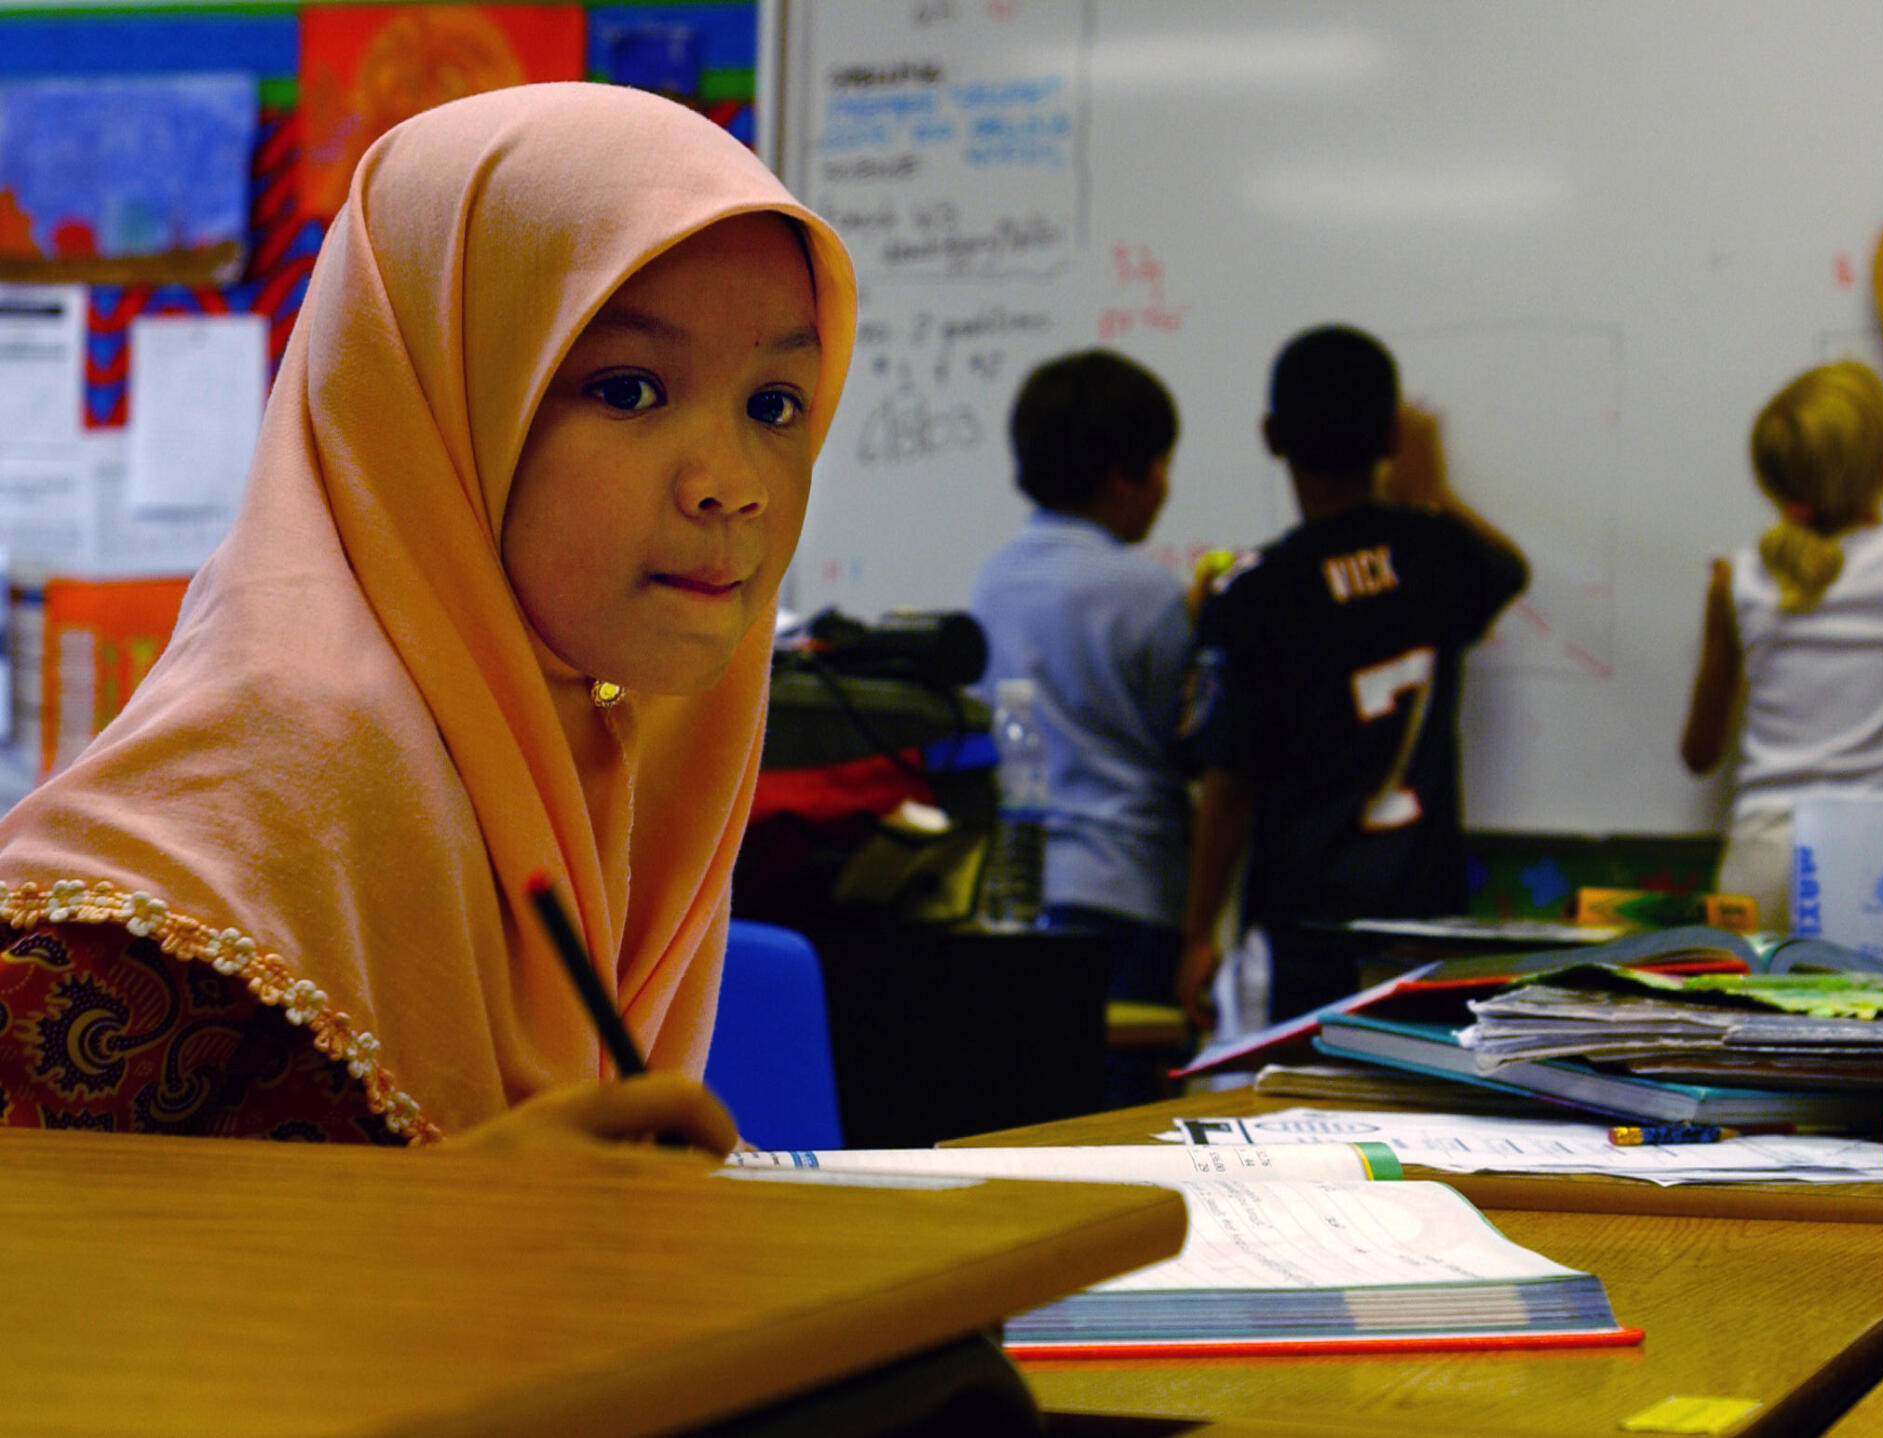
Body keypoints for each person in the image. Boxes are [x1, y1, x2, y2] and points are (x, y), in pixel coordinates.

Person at [0, 82, 858, 1151]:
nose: (733, 485)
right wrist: (451, 1224)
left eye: (776, 405)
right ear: (435, 399)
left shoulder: (616, 737)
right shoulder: (297, 749)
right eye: (629, 388)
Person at [1176, 326, 1529, 1026]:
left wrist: (1195, 936)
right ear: (1393, 438)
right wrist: (1432, 489)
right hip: (1423, 923)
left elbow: (1228, 784)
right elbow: (1510, 570)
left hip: (1304, 923)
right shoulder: (1439, 549)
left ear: (1272, 437)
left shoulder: (1255, 592)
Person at [1680, 197, 1883, 930]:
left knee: (1746, 1048)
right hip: (1874, 870)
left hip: (1757, 866)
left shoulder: (1734, 578)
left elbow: (1700, 754)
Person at [968, 350, 1192, 1026]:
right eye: (1162, 466)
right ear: (1124, 477)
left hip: (1023, 884)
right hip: (1130, 888)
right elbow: (1187, 741)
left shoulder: (994, 581)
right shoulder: (1151, 595)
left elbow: (1010, 732)